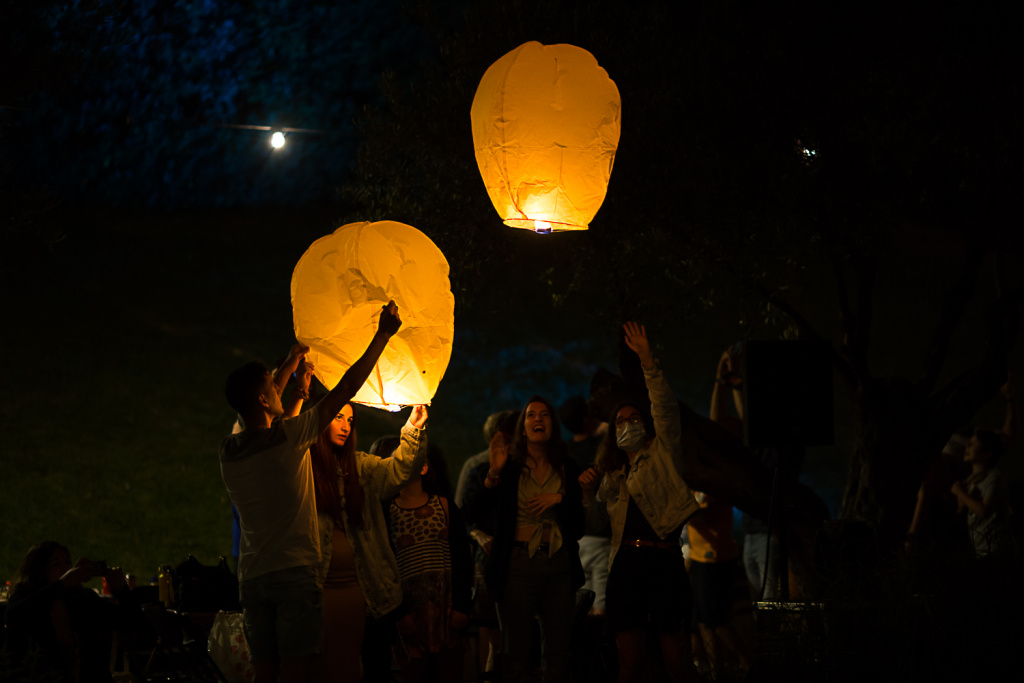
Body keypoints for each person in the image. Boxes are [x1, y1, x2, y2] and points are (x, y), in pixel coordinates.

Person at [220, 301, 402, 683]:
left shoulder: (229, 450)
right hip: (294, 574)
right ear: (263, 399)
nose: (276, 384)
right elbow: (347, 386)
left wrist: (288, 369)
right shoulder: (289, 437)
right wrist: (383, 334)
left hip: (252, 578)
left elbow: (264, 415)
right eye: (272, 384)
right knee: (300, 670)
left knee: (266, 671)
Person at [587, 322, 700, 683]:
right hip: (626, 566)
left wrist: (648, 361)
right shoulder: (615, 476)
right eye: (620, 421)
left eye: (634, 418)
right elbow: (593, 521)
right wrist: (587, 491)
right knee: (629, 663)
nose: (627, 423)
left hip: (664, 560)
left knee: (675, 659)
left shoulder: (664, 451)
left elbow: (664, 407)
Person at [464, 395, 586, 683]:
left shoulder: (568, 466)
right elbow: (471, 512)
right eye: (531, 415)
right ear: (522, 427)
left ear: (553, 426)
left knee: (557, 654)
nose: (538, 419)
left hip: (559, 565)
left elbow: (579, 526)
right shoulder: (508, 467)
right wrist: (493, 473)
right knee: (515, 654)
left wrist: (561, 498)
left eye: (544, 415)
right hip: (518, 564)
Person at [310, 403, 428, 682]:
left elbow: (401, 470)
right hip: (318, 590)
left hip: (362, 590)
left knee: (362, 667)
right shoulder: (305, 469)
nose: (345, 426)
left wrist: (413, 429)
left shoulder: (362, 466)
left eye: (350, 420)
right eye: (338, 417)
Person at [386, 443, 474, 682]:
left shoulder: (443, 505)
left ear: (423, 467)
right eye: (396, 459)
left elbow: (462, 557)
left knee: (448, 671)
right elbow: (385, 567)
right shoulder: (388, 511)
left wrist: (462, 606)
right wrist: (399, 614)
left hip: (446, 611)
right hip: (410, 613)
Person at [4, 541, 150, 683]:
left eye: (67, 562)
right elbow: (15, 615)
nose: (65, 569)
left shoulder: (83, 599)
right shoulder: (26, 598)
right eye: (56, 564)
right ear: (38, 570)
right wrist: (61, 585)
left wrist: (122, 591)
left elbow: (135, 623)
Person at [686, 491, 751, 677]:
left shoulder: (713, 486)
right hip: (700, 557)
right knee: (702, 620)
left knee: (716, 620)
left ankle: (747, 663)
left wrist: (683, 510)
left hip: (715, 558)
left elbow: (706, 518)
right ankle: (716, 671)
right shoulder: (693, 487)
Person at [561, 395, 612, 616]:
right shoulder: (600, 448)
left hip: (575, 537)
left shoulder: (564, 451)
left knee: (581, 602)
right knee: (601, 601)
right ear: (586, 419)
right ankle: (598, 648)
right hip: (601, 534)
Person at [951, 428, 1016, 561]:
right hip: (981, 550)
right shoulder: (970, 480)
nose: (967, 446)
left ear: (987, 453)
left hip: (997, 550)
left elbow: (984, 511)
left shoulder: (993, 478)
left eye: (973, 444)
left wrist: (959, 493)